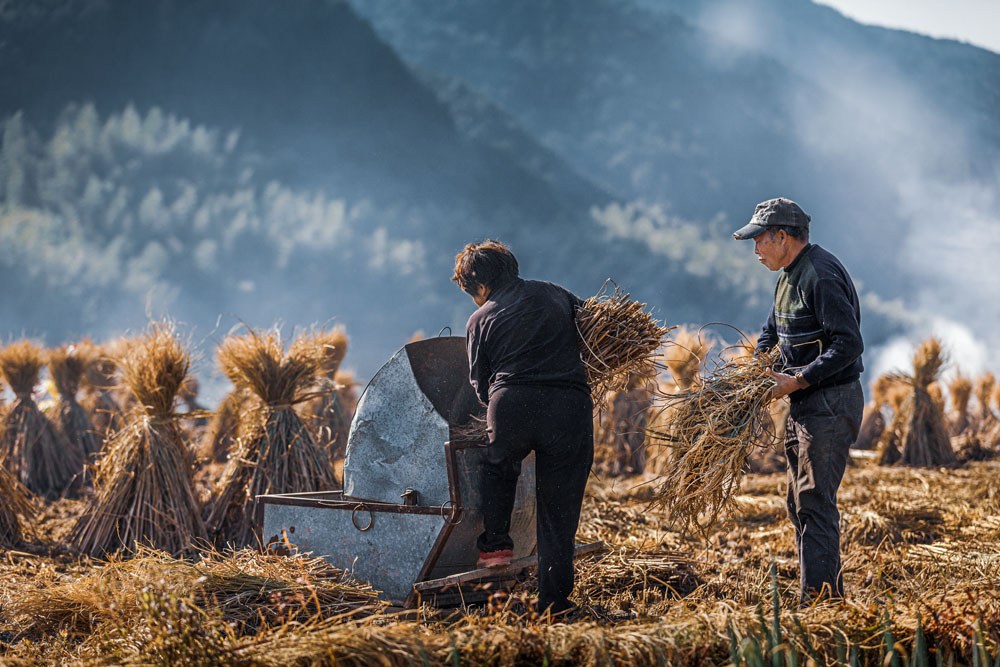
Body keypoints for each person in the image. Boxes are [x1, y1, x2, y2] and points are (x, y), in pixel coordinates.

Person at [452, 239, 594, 617]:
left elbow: (480, 386)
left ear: (479, 286)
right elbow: (595, 329)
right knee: (558, 512)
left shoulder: (480, 319)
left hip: (513, 405)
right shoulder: (557, 294)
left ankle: (496, 544)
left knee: (498, 466)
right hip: (570, 407)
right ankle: (555, 603)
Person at [733, 198, 864, 602]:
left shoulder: (820, 276)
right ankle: (817, 593)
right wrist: (755, 370)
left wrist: (797, 381)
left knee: (814, 502)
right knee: (798, 502)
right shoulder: (789, 275)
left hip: (829, 402)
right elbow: (772, 331)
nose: (755, 249)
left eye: (759, 240)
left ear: (782, 237)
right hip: (806, 404)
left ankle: (822, 602)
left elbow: (848, 344)